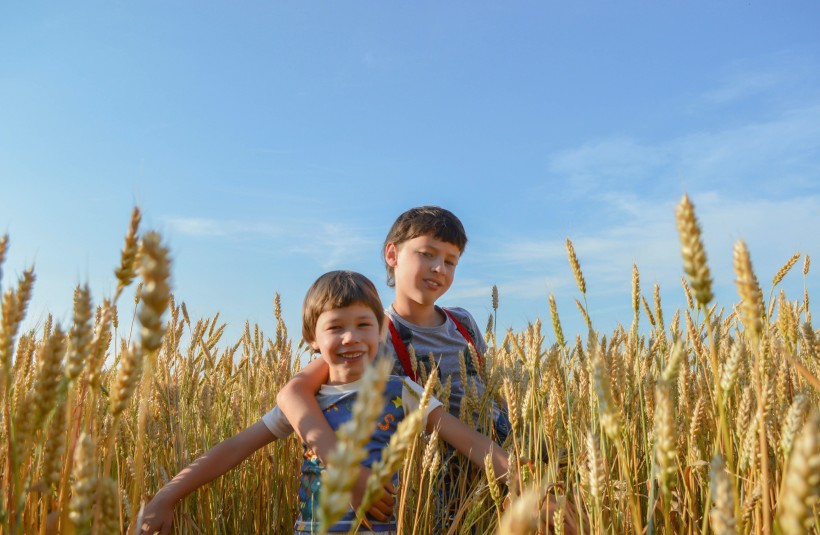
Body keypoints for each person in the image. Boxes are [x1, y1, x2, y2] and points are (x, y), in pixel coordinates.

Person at [139, 270, 508, 535]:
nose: (351, 337)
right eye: (335, 327)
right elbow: (235, 447)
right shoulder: (308, 404)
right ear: (311, 338)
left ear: (382, 330)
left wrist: (534, 488)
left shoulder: (404, 391)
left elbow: (472, 443)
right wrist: (167, 496)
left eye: (364, 325)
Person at [276, 207, 509, 521]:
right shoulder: (371, 336)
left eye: (451, 261)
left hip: (499, 461)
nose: (439, 268)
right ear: (392, 254)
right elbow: (294, 392)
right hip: (442, 483)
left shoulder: (464, 322)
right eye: (427, 254)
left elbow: (487, 390)